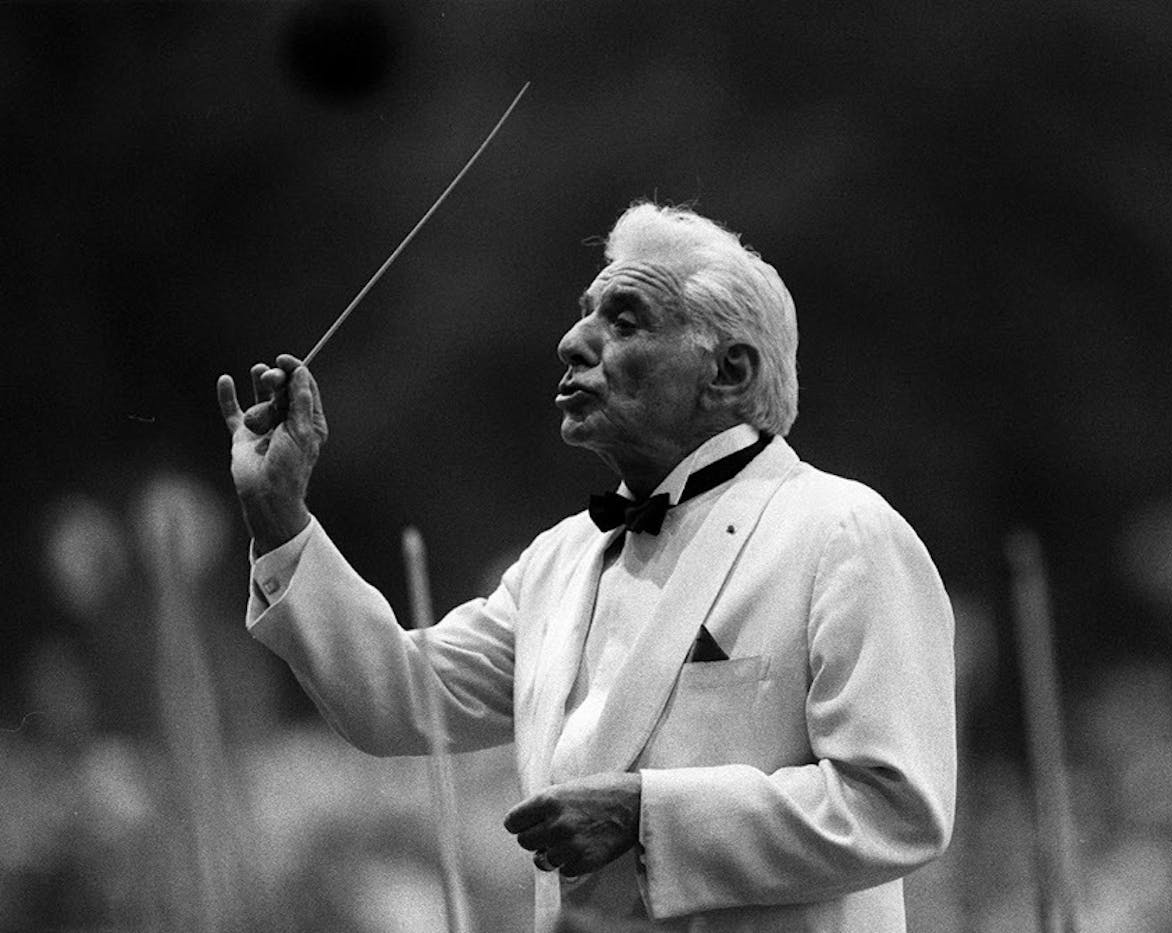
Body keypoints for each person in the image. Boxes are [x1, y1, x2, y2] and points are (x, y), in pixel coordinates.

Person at [217, 202, 957, 932]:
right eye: (585, 313)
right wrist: (282, 517)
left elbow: (896, 805)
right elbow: (399, 697)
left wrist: (648, 814)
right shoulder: (559, 559)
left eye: (624, 320)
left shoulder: (842, 533)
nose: (573, 341)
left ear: (729, 372)